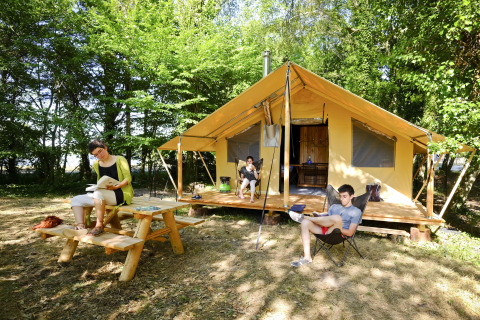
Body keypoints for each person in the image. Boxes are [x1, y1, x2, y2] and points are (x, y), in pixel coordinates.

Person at [65, 139, 134, 237]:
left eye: (100, 151)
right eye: (96, 155)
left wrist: (117, 186)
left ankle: (99, 225)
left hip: (122, 195)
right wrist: (98, 187)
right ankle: (81, 227)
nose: (99, 155)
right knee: (76, 199)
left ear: (105, 148)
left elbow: (128, 178)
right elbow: (100, 181)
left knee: (98, 194)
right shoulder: (97, 164)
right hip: (103, 195)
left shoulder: (120, 159)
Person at [289, 184, 361, 267]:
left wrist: (339, 229)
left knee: (337, 218)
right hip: (325, 229)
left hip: (337, 234)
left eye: (344, 196)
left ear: (351, 196)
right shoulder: (334, 206)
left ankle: (304, 217)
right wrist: (319, 215)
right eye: (340, 196)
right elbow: (326, 219)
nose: (341, 199)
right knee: (305, 223)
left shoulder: (356, 211)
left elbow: (350, 233)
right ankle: (307, 258)